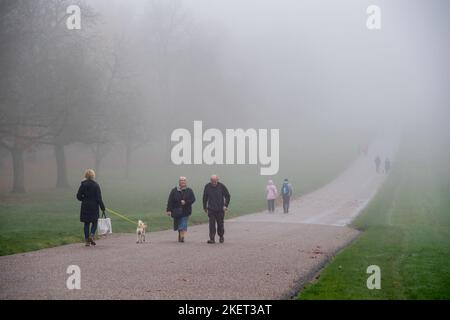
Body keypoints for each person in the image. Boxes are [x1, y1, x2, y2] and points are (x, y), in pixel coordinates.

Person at [76, 169, 105, 247]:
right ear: (93, 176)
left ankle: (87, 241)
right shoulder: (96, 185)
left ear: (86, 176)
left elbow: (78, 196)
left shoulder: (83, 185)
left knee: (86, 223)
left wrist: (84, 199)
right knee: (95, 222)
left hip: (85, 206)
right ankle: (91, 235)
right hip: (94, 207)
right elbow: (99, 198)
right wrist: (102, 207)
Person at [166, 176, 196, 243]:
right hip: (176, 210)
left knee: (183, 223)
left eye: (184, 180)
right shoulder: (174, 190)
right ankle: (180, 234)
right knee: (178, 223)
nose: (182, 182)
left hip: (186, 210)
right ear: (179, 182)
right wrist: (168, 210)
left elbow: (193, 199)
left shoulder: (189, 190)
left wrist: (186, 202)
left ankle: (182, 236)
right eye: (181, 180)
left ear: (186, 182)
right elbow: (170, 201)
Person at [203, 174, 230, 244]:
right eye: (212, 181)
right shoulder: (207, 186)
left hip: (220, 209)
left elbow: (227, 196)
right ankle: (212, 238)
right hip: (211, 209)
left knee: (220, 224)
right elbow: (205, 197)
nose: (214, 182)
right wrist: (204, 207)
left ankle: (221, 236)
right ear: (210, 180)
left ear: (217, 180)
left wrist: (225, 205)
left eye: (215, 181)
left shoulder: (221, 186)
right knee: (211, 224)